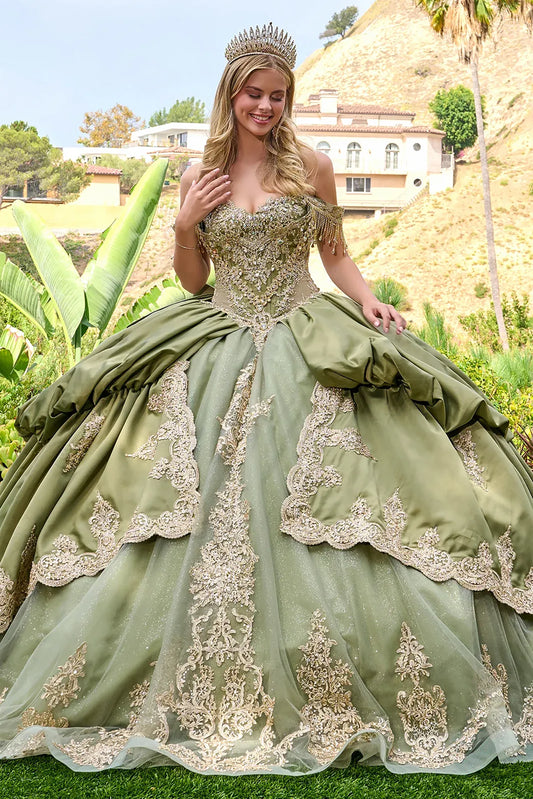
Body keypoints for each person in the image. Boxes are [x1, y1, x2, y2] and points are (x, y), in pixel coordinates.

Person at [0, 22, 532, 777]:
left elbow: (337, 256)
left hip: (303, 331)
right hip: (214, 331)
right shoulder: (199, 176)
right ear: (232, 94)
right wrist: (186, 224)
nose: (266, 106)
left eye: (279, 95)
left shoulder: (310, 164)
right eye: (255, 93)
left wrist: (372, 305)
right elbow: (191, 280)